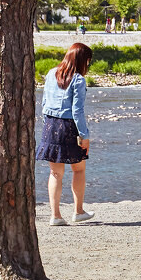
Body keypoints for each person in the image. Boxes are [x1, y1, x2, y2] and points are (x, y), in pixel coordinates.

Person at [35, 42, 95, 226]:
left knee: (55, 173)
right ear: (82, 60)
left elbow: (44, 103)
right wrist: (85, 136)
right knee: (78, 169)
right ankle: (78, 211)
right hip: (69, 127)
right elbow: (77, 111)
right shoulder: (78, 80)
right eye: (88, 61)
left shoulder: (51, 73)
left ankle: (56, 216)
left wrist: (47, 126)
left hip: (50, 126)